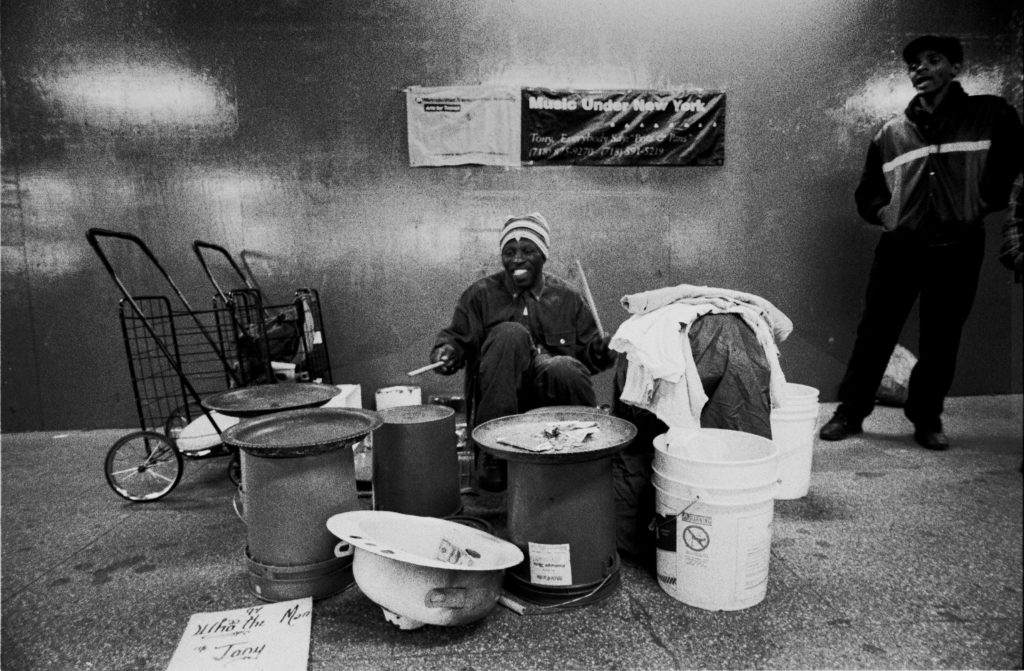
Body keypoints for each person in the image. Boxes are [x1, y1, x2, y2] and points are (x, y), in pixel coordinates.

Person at [820, 35, 1024, 450]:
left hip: (958, 247)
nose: (921, 68)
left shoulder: (990, 115)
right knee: (874, 334)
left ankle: (927, 418)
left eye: (933, 60)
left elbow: (1013, 166)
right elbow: (867, 193)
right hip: (899, 249)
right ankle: (850, 413)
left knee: (941, 339)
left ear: (955, 68)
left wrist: (983, 201)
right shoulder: (890, 133)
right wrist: (885, 214)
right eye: (914, 64)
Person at [430, 213, 616, 489]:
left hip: (550, 399)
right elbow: (456, 339)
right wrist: (446, 352)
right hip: (501, 398)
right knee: (510, 334)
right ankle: (495, 453)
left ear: (543, 255)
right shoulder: (480, 295)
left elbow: (588, 360)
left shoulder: (568, 298)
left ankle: (584, 454)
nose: (517, 259)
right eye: (509, 252)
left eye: (527, 251)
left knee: (562, 367)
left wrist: (602, 351)